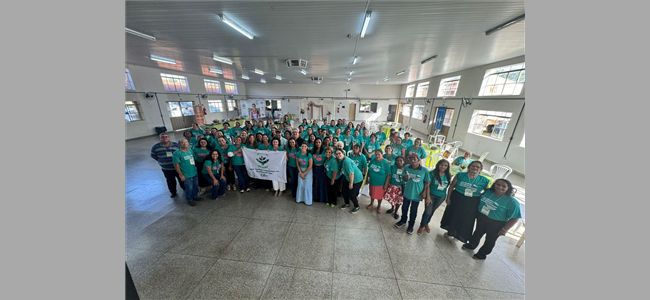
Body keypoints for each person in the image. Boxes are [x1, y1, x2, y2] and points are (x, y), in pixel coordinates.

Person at [462, 179, 522, 260]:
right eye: (498, 184)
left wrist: (504, 229)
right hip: (482, 217)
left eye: (503, 186)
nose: (500, 187)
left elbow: (515, 218)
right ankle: (471, 245)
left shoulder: (512, 202)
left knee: (490, 239)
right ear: (494, 185)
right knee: (477, 232)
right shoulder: (488, 192)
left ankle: (482, 254)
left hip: (497, 223)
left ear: (508, 188)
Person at [440, 161, 491, 244]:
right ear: (469, 167)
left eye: (477, 167)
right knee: (453, 215)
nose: (475, 168)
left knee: (465, 218)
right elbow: (452, 186)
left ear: (480, 169)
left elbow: (487, 192)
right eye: (473, 166)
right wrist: (448, 197)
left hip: (472, 201)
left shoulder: (484, 180)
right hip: (457, 197)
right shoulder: (460, 175)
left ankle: (457, 236)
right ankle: (451, 231)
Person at [395, 153, 431, 234]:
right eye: (411, 159)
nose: (412, 161)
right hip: (408, 192)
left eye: (414, 159)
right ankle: (403, 220)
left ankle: (411, 225)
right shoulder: (407, 167)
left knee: (413, 211)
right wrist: (406, 178)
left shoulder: (424, 170)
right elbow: (404, 178)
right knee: (404, 208)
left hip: (417, 194)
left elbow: (427, 182)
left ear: (418, 159)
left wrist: (424, 192)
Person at [418, 159, 452, 235]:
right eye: (441, 165)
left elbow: (448, 186)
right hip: (431, 195)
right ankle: (421, 226)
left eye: (445, 165)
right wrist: (428, 197)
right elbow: (427, 185)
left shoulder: (448, 175)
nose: (443, 167)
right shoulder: (432, 173)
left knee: (432, 211)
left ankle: (427, 223)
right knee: (427, 212)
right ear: (438, 165)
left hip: (441, 197)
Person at [150, 133, 184, 197]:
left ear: (169, 138)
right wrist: (161, 161)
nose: (165, 138)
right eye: (162, 137)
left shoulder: (176, 145)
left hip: (177, 167)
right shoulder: (156, 147)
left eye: (166, 137)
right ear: (160, 139)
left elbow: (181, 154)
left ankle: (185, 189)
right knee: (170, 181)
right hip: (166, 169)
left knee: (181, 179)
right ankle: (173, 191)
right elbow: (153, 156)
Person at [173, 138, 204, 206]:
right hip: (186, 174)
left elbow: (194, 159)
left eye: (186, 142)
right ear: (179, 144)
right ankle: (189, 199)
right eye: (182, 142)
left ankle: (195, 196)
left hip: (194, 172)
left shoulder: (190, 151)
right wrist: (181, 175)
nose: (184, 144)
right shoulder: (177, 153)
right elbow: (176, 165)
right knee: (189, 188)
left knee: (195, 186)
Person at [336, 149, 364, 214]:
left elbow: (351, 173)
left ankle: (357, 206)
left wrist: (351, 183)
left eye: (339, 153)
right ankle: (347, 203)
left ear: (343, 153)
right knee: (344, 190)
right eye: (337, 154)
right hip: (348, 178)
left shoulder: (346, 161)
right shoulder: (341, 160)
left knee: (352, 194)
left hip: (356, 179)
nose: (338, 155)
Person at [365, 149, 391, 213]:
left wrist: (386, 184)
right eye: (376, 154)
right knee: (372, 193)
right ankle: (372, 203)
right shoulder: (373, 160)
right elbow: (369, 169)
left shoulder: (385, 163)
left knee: (379, 196)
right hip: (372, 181)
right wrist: (367, 178)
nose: (377, 156)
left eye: (379, 154)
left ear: (382, 155)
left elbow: (388, 174)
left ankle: (379, 206)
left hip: (380, 183)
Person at [311, 138, 327, 203]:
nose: (318, 144)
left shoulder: (324, 150)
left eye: (319, 142)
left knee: (321, 183)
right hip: (314, 168)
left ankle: (321, 197)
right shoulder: (313, 150)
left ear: (321, 143)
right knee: (315, 182)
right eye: (316, 142)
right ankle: (315, 197)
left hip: (322, 168)